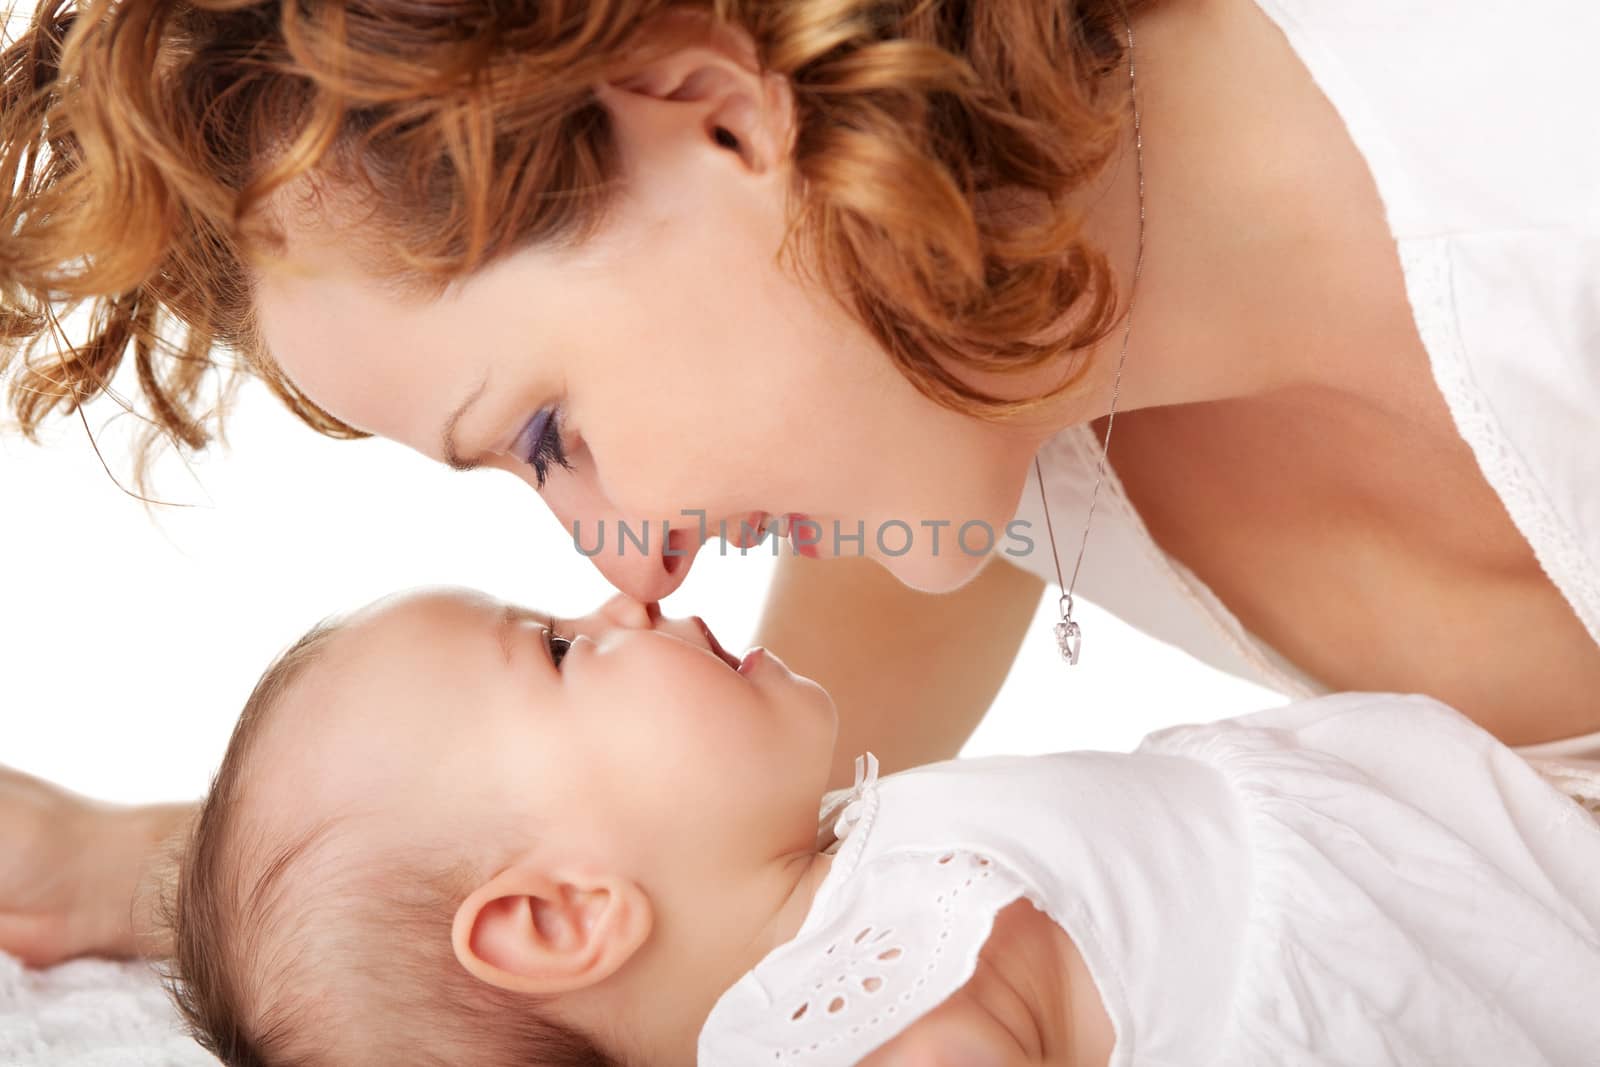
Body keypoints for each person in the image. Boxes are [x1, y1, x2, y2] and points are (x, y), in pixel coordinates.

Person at [2, 0, 1597, 965]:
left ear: (716, 114)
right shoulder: (972, 368)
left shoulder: (1545, 185)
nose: (632, 568)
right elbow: (709, 826)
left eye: (549, 434)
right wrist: (223, 885)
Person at [160, 587, 1600, 1067]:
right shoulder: (848, 1014)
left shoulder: (857, 903)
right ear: (561, 914)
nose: (626, 599)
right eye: (554, 650)